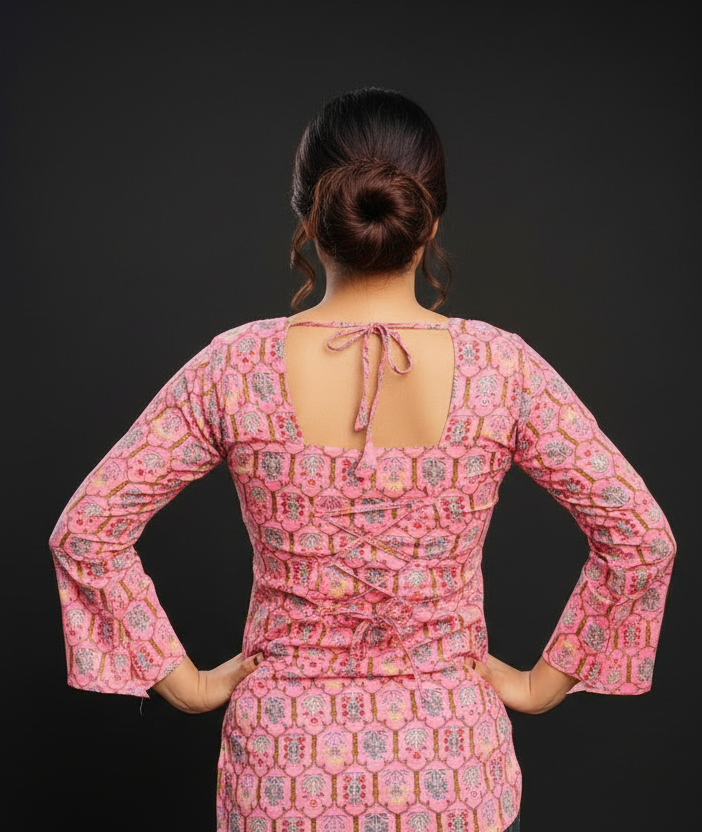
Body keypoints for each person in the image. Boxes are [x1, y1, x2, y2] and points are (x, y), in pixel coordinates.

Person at [49, 86, 676, 832]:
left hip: (283, 779)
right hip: (454, 773)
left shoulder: (235, 366)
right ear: (429, 219)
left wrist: (186, 686)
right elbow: (642, 538)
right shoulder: (502, 368)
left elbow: (85, 532)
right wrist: (543, 685)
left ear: (310, 216)